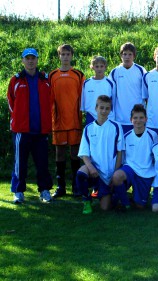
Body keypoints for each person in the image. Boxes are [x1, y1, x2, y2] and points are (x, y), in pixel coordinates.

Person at [7, 48, 53, 204]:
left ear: (37, 60)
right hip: (21, 130)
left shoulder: (45, 79)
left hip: (41, 130)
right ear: (23, 61)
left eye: (33, 58)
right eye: (27, 58)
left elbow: (51, 102)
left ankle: (45, 191)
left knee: (42, 162)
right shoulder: (16, 80)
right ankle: (18, 192)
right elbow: (10, 102)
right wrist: (17, 119)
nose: (30, 61)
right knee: (20, 163)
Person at [76, 95, 123, 214]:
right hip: (94, 170)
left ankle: (108, 193)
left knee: (105, 208)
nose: (104, 111)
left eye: (107, 108)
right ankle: (86, 201)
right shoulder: (88, 128)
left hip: (108, 174)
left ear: (110, 110)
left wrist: (115, 173)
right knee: (81, 173)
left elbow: (119, 152)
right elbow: (84, 154)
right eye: (101, 108)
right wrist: (91, 168)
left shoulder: (116, 127)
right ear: (96, 108)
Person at [49, 44, 85, 198]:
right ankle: (61, 186)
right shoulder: (52, 75)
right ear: (59, 56)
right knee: (60, 152)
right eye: (62, 54)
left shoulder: (78, 74)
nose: (65, 57)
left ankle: (76, 186)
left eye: (67, 54)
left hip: (74, 120)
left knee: (75, 153)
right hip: (58, 121)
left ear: (72, 56)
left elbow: (83, 98)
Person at [112, 104, 158, 210]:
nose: (138, 120)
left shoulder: (153, 136)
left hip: (145, 172)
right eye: (135, 118)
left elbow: (156, 157)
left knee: (140, 206)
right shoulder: (126, 136)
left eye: (141, 117)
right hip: (130, 169)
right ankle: (125, 203)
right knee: (117, 176)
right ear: (131, 120)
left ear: (146, 119)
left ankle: (136, 197)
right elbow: (122, 158)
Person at [109, 42, 147, 134]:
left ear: (134, 56)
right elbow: (111, 96)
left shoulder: (141, 70)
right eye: (124, 54)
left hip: (138, 119)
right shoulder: (115, 72)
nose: (127, 57)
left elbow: (147, 94)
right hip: (120, 118)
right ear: (121, 56)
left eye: (130, 54)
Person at [81, 55, 116, 125]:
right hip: (91, 116)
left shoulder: (110, 83)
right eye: (97, 66)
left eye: (101, 66)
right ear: (92, 67)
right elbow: (83, 101)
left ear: (105, 67)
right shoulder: (86, 83)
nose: (99, 69)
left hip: (107, 116)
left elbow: (114, 101)